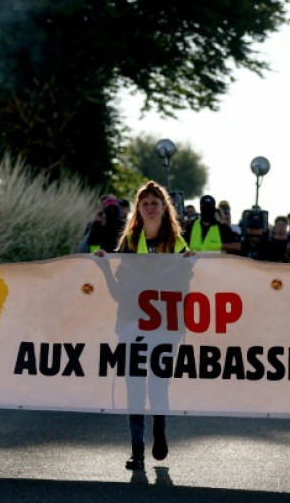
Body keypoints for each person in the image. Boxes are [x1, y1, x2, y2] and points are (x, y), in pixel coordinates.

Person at [93, 181, 195, 470]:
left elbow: (184, 288)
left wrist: (188, 265)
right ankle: (137, 450)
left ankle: (159, 431)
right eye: (145, 203)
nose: (150, 207)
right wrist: (103, 269)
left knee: (158, 386)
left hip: (165, 326)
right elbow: (119, 294)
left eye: (155, 202)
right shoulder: (130, 241)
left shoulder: (177, 242)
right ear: (138, 209)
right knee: (135, 386)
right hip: (130, 324)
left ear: (165, 209)